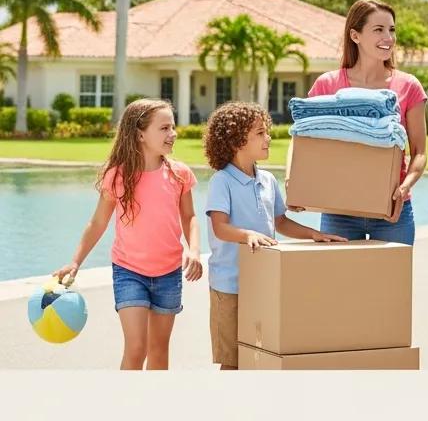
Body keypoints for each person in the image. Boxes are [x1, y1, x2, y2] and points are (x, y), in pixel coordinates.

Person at [55, 99, 202, 370]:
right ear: (140, 134)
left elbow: (190, 217)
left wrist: (193, 250)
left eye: (173, 126)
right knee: (136, 348)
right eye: (165, 128)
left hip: (168, 273)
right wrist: (75, 261)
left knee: (159, 350)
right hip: (129, 271)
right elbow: (98, 222)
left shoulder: (180, 174)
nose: (173, 133)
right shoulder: (118, 176)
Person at [203, 101, 345, 370]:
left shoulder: (267, 179)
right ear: (236, 139)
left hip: (263, 282)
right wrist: (248, 235)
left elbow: (280, 221)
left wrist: (313, 234)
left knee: (262, 355)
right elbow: (220, 227)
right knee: (233, 362)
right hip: (229, 286)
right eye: (260, 133)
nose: (268, 138)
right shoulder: (221, 181)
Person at [309, 0, 428, 245]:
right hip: (339, 210)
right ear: (355, 36)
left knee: (392, 284)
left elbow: (419, 153)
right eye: (378, 30)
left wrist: (404, 188)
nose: (389, 37)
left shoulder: (408, 86)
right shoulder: (327, 85)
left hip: (393, 210)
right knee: (341, 283)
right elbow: (305, 144)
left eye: (392, 30)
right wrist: (294, 182)